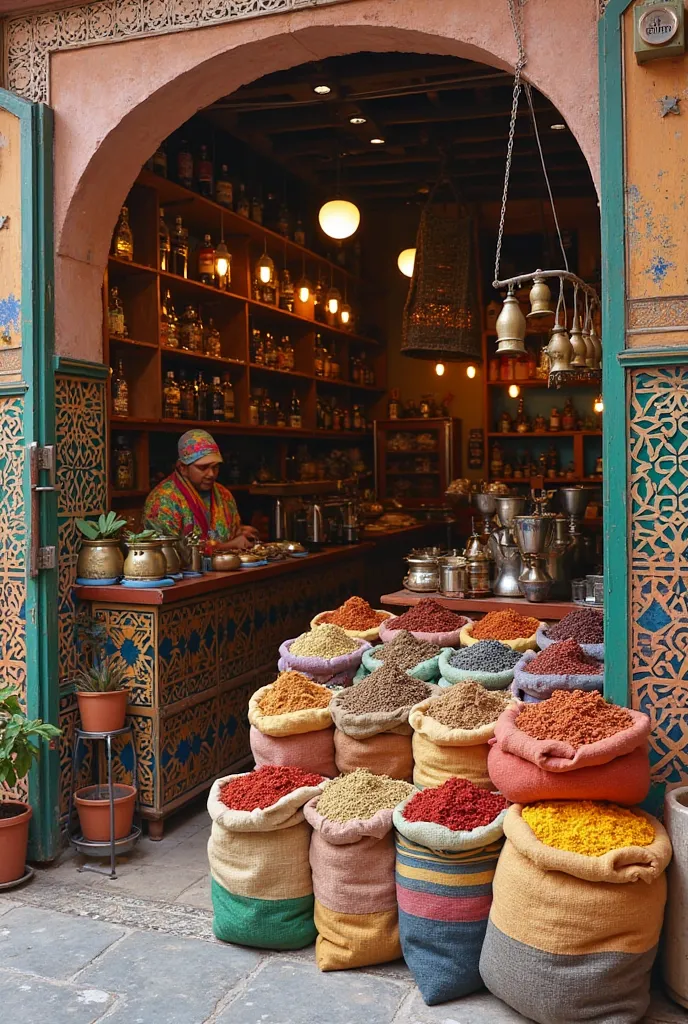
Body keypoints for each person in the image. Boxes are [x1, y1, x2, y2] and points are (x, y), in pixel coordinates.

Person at [143, 429, 258, 551]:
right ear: (182, 467)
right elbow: (171, 556)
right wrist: (228, 546)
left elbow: (229, 533)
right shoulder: (163, 501)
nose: (211, 474)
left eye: (215, 467)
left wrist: (241, 532)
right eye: (203, 467)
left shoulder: (224, 494)